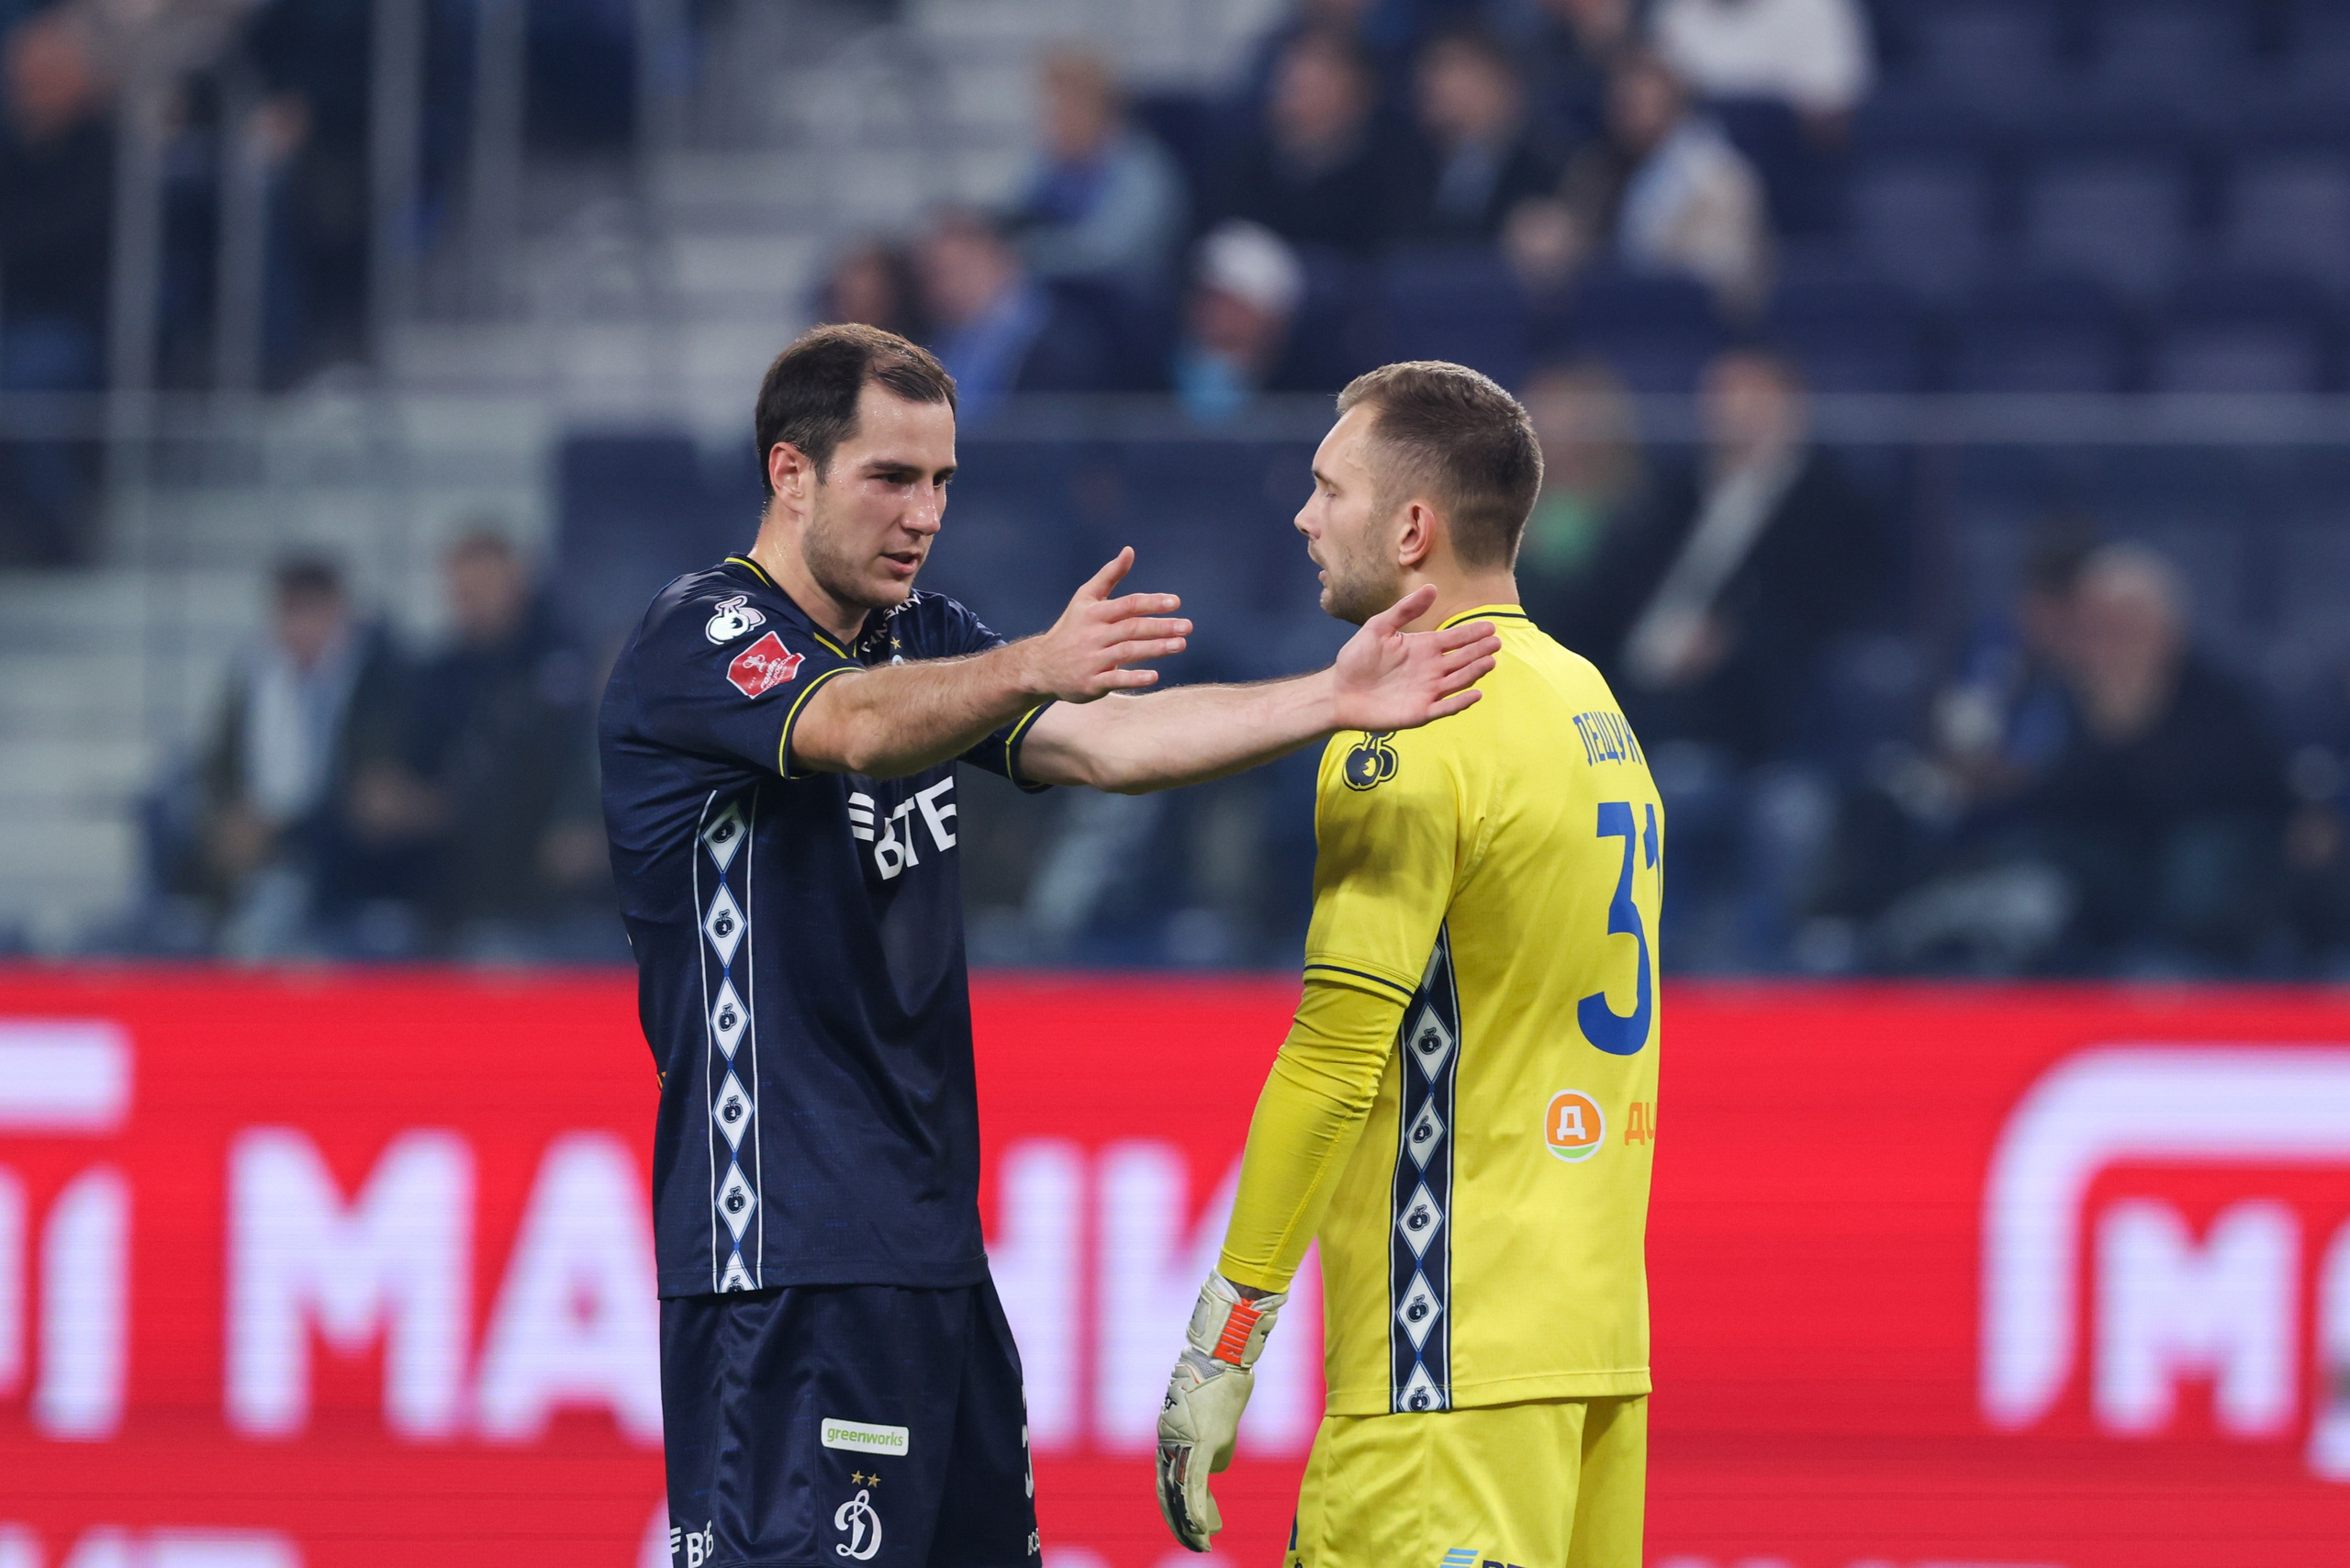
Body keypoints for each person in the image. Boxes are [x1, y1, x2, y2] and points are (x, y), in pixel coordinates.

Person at [599, 323, 1501, 1568]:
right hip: (786, 1254)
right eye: (890, 478)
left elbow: (1104, 743)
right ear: (790, 473)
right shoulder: (695, 640)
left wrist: (1330, 697)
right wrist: (1028, 662)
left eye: (943, 483)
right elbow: (850, 729)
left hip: (932, 1255)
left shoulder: (922, 639)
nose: (924, 515)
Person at [1154, 361, 1659, 1566]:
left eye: (1328, 488)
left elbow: (1334, 1055)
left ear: (1413, 527)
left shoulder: (1410, 722)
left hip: (1445, 1367)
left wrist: (1225, 1340)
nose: (1303, 515)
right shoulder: (1589, 703)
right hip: (1592, 1356)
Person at [2020, 544, 2290, 969]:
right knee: (2041, 860)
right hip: (2112, 861)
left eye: (2125, 626)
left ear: (2169, 631)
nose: (2109, 642)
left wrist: (2132, 726)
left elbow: (2246, 793)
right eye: (2097, 628)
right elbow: (2046, 800)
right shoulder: (2059, 698)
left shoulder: (2219, 696)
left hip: (2200, 863)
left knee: (2198, 863)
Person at [382, 529, 607, 957]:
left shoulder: (566, 667)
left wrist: (447, 806)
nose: (473, 603)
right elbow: (405, 776)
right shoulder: (436, 678)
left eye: (484, 587)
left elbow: (572, 769)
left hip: (554, 899)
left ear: (517, 582)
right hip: (453, 893)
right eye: (463, 592)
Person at [188, 555, 410, 956]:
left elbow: (375, 788)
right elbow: (219, 767)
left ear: (338, 612)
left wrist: (283, 832)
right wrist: (230, 818)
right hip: (265, 858)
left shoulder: (383, 678)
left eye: (312, 612)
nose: (300, 628)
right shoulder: (251, 679)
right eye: (290, 613)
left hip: (348, 863)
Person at [0, 6, 111, 564]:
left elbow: (62, 242)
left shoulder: (106, 154)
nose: (22, 85)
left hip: (68, 323)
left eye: (40, 73)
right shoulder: (12, 152)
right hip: (13, 314)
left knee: (20, 383)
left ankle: (55, 533)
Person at [1561, 50, 1772, 315]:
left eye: (1642, 103)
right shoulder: (1597, 171)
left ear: (1674, 103)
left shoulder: (1718, 178)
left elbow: (1725, 277)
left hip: (1697, 322)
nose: (1630, 116)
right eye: (1622, 104)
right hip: (1621, 315)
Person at [1003, 47, 1187, 294]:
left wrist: (1020, 253)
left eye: (1060, 114)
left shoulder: (1141, 172)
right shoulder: (1052, 164)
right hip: (1070, 297)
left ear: (1095, 111)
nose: (1050, 127)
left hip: (1126, 306)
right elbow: (1017, 210)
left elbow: (1104, 251)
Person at [1214, 26, 1396, 257]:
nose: (1291, 96)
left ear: (1357, 94)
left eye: (1312, 83)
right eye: (1286, 80)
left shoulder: (1389, 176)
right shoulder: (1243, 168)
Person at [914, 207, 1113, 420]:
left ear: (1000, 259)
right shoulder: (939, 339)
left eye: (956, 271)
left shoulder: (1064, 339)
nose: (944, 287)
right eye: (932, 276)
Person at [1393, 28, 1562, 244]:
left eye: (1448, 65)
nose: (1429, 81)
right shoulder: (1404, 168)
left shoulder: (1548, 167)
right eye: (1427, 68)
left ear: (1501, 80)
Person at [1651, 0, 1874, 129]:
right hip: (1702, 173)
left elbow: (1836, 107)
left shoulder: (1816, 7)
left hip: (1799, 172)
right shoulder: (1674, 12)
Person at [1170, 219, 1307, 424]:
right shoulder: (1144, 376)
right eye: (1205, 295)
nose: (1210, 311)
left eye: (1228, 301)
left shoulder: (1305, 402)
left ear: (1270, 318)